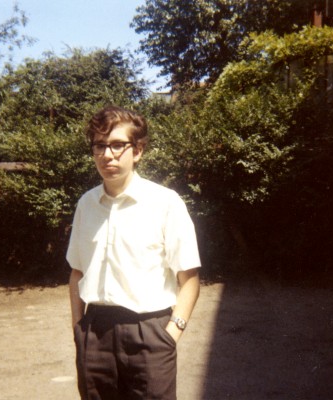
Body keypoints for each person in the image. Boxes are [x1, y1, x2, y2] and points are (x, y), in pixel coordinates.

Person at [67, 105, 201, 400]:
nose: (107, 155)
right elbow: (77, 271)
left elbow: (189, 279)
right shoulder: (86, 205)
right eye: (99, 146)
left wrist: (171, 334)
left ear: (137, 151)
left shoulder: (165, 203)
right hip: (95, 333)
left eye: (118, 145)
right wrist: (79, 328)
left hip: (150, 333)